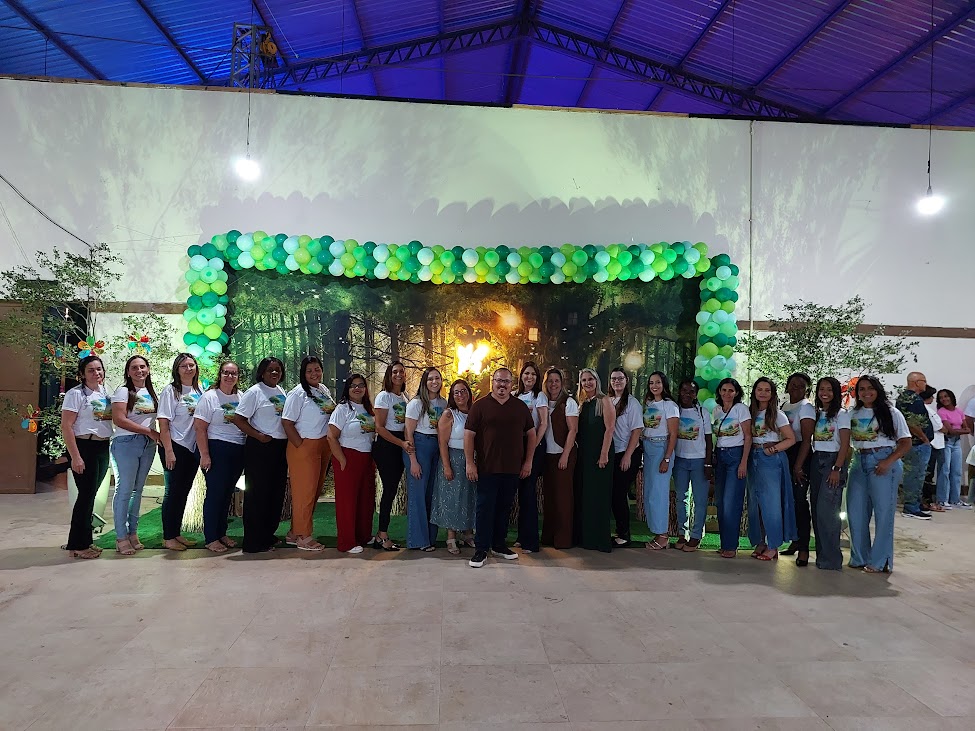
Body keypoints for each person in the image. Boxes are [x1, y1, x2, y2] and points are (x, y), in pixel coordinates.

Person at [464, 367, 536, 567]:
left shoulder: (520, 407)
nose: (502, 385)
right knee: (485, 509)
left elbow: (531, 434)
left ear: (511, 384)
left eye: (506, 381)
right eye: (498, 380)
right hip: (487, 467)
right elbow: (469, 435)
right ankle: (481, 549)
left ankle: (498, 545)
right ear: (492, 382)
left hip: (512, 468)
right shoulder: (480, 406)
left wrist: (528, 461)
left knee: (504, 509)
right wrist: (470, 463)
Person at [847, 375, 912, 573]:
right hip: (859, 462)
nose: (866, 392)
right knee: (855, 512)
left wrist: (888, 461)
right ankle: (859, 557)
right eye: (861, 389)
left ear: (878, 390)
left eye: (870, 388)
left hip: (883, 461)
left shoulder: (891, 413)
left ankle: (880, 560)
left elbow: (905, 442)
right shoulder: (852, 413)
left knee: (884, 514)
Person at [231, 357, 288, 554]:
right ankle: (254, 542)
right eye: (270, 369)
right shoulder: (254, 392)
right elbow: (239, 419)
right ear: (262, 372)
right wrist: (258, 436)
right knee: (258, 495)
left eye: (278, 369)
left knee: (275, 494)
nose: (275, 373)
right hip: (260, 447)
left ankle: (267, 534)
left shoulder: (281, 392)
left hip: (279, 447)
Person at [60, 355, 113, 559]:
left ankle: (85, 540)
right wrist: (76, 456)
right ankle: (77, 545)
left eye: (99, 369)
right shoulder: (75, 394)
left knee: (90, 495)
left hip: (102, 447)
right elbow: (66, 426)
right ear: (82, 374)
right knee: (85, 496)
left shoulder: (105, 392)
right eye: (91, 370)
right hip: (84, 447)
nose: (96, 373)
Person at [281, 356, 335, 552]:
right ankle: (304, 536)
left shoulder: (323, 390)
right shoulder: (297, 394)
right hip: (304, 445)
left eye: (317, 369)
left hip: (323, 445)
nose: (314, 373)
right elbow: (287, 422)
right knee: (305, 492)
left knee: (314, 491)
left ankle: (294, 532)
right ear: (303, 373)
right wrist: (300, 445)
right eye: (309, 371)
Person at [796, 376, 851, 570]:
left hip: (833, 462)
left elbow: (845, 445)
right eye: (821, 389)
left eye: (829, 389)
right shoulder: (817, 414)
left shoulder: (842, 414)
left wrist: (837, 468)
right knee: (817, 511)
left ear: (836, 392)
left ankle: (832, 560)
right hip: (817, 459)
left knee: (828, 513)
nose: (825, 393)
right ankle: (822, 557)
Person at [194, 360, 246, 553]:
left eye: (233, 373)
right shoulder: (209, 397)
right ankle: (211, 537)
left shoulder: (241, 396)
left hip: (237, 449)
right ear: (220, 374)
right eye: (226, 372)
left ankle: (221, 533)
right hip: (217, 448)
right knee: (215, 494)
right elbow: (200, 428)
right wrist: (205, 455)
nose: (230, 376)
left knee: (226, 494)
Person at [110, 355, 159, 555]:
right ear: (128, 372)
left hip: (148, 445)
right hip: (126, 443)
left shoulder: (151, 392)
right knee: (124, 490)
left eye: (143, 366)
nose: (139, 371)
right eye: (134, 367)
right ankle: (121, 537)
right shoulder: (123, 391)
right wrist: (148, 431)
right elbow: (119, 419)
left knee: (137, 491)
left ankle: (133, 533)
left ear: (148, 369)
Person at [746, 377, 797, 562]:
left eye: (767, 390)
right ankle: (760, 542)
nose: (763, 393)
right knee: (755, 503)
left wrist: (773, 449)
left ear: (772, 394)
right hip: (753, 458)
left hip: (770, 461)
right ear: (754, 392)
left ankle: (773, 545)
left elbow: (791, 439)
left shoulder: (777, 415)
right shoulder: (750, 413)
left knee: (771, 504)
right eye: (759, 389)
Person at [156, 353, 203, 552]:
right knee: (173, 492)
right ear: (177, 369)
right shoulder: (171, 391)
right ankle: (168, 537)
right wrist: (169, 451)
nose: (188, 369)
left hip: (192, 448)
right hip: (174, 446)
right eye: (184, 366)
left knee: (183, 492)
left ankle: (176, 533)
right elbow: (163, 423)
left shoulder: (199, 390)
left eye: (191, 365)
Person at [326, 373, 377, 554]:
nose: (357, 388)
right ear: (347, 389)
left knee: (365, 500)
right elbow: (331, 436)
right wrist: (342, 459)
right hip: (348, 456)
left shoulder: (368, 409)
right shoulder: (342, 408)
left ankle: (363, 535)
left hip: (367, 458)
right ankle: (347, 542)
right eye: (353, 385)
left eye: (361, 385)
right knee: (347, 502)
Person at [432, 379, 477, 554]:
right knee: (452, 497)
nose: (460, 395)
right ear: (452, 395)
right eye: (456, 392)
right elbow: (442, 442)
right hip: (453, 458)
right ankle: (451, 536)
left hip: (471, 460)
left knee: (469, 497)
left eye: (463, 391)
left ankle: (467, 533)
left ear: (469, 393)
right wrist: (446, 466)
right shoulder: (449, 414)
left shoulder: (474, 412)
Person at [404, 366, 446, 551]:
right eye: (430, 379)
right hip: (419, 446)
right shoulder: (416, 404)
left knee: (432, 494)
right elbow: (408, 433)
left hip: (437, 447)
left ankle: (430, 537)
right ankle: (418, 540)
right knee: (418, 495)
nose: (434, 382)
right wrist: (413, 461)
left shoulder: (443, 403)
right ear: (424, 382)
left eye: (437, 378)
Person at [370, 361, 410, 550]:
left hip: (400, 444)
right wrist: (400, 443)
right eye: (395, 372)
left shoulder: (404, 396)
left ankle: (382, 533)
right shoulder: (383, 397)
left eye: (401, 371)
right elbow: (379, 427)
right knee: (389, 490)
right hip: (387, 446)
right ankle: (382, 535)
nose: (398, 375)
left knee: (392, 490)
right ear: (389, 375)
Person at [576, 368, 616, 553]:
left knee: (599, 498)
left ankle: (600, 540)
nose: (587, 383)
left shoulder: (604, 400)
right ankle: (587, 539)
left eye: (590, 379)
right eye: (584, 380)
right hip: (585, 456)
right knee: (587, 497)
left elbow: (610, 428)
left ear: (596, 380)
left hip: (600, 455)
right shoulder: (582, 404)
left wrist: (604, 454)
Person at [712, 378, 752, 558]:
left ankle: (731, 546)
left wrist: (743, 462)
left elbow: (748, 436)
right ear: (719, 391)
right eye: (724, 390)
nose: (727, 393)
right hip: (720, 456)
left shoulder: (741, 409)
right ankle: (724, 544)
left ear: (736, 393)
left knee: (731, 503)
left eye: (731, 390)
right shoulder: (717, 410)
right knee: (720, 502)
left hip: (736, 456)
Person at [673, 379, 713, 552]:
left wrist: (708, 463)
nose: (687, 394)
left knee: (700, 500)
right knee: (680, 498)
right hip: (679, 460)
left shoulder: (703, 412)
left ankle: (696, 536)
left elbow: (709, 440)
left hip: (699, 460)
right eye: (684, 390)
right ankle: (682, 533)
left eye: (691, 391)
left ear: (696, 394)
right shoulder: (675, 410)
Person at [641, 371, 679, 551]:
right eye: (651, 383)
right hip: (648, 448)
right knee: (650, 493)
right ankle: (656, 531)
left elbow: (673, 434)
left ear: (664, 384)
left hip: (661, 448)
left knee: (659, 493)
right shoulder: (649, 404)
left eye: (657, 382)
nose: (654, 386)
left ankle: (663, 535)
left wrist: (667, 458)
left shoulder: (670, 405)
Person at [780, 372, 816, 565]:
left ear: (807, 389)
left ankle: (804, 548)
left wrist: (799, 465)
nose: (796, 388)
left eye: (801, 385)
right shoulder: (784, 406)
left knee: (800, 502)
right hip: (785, 454)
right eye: (793, 384)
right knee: (790, 502)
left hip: (800, 455)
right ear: (787, 386)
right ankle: (794, 541)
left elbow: (807, 439)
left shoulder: (806, 407)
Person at [541, 368, 578, 549]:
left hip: (563, 454)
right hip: (547, 455)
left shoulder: (568, 402)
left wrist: (565, 455)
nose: (553, 384)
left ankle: (563, 540)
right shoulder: (543, 402)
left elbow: (573, 430)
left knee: (563, 498)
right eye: (550, 381)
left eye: (556, 381)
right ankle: (548, 537)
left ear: (562, 383)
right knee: (549, 498)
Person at [515, 362, 548, 554]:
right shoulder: (515, 395)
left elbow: (543, 423)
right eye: (526, 373)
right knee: (520, 493)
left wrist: (533, 446)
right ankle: (521, 537)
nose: (529, 377)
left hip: (533, 447)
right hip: (516, 448)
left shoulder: (539, 396)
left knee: (528, 493)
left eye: (533, 374)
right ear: (521, 376)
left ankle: (531, 541)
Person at [608, 367, 642, 547]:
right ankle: (619, 531)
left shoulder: (632, 403)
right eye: (614, 378)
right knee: (613, 494)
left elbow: (636, 430)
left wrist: (627, 456)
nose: (617, 381)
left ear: (626, 380)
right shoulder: (608, 400)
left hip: (628, 453)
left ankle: (624, 534)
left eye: (620, 378)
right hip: (613, 453)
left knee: (619, 493)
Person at [896, 371, 935, 520]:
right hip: (917, 444)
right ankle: (911, 507)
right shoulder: (913, 399)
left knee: (916, 475)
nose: (926, 384)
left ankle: (915, 504)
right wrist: (924, 438)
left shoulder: (905, 397)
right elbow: (911, 422)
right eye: (924, 381)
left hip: (914, 443)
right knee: (915, 475)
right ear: (917, 382)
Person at [937, 389, 972, 510]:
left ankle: (955, 500)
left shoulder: (958, 411)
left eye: (946, 396)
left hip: (957, 443)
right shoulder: (941, 412)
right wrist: (959, 430)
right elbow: (950, 431)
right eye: (941, 397)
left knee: (957, 471)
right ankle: (942, 500)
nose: (944, 399)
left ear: (951, 397)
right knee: (945, 470)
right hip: (946, 442)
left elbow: (968, 429)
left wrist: (957, 430)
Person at [922, 386, 945, 512]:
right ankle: (927, 501)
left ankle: (927, 500)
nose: (933, 398)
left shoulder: (928, 409)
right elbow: (939, 426)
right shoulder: (925, 409)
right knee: (928, 474)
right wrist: (946, 429)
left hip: (936, 444)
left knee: (929, 473)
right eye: (931, 396)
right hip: (932, 444)